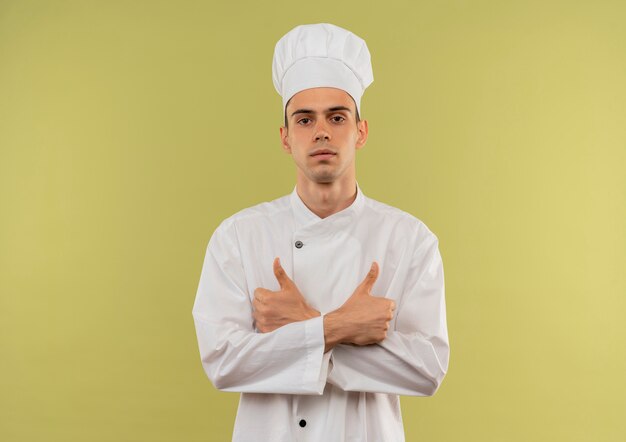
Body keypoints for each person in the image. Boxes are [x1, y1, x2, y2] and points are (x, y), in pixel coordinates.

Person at [192, 22, 450, 442]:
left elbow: (427, 370)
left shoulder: (410, 240)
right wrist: (340, 328)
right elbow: (223, 362)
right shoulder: (238, 237)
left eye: (337, 116)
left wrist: (302, 326)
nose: (322, 131)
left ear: (360, 132)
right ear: (286, 138)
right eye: (304, 119)